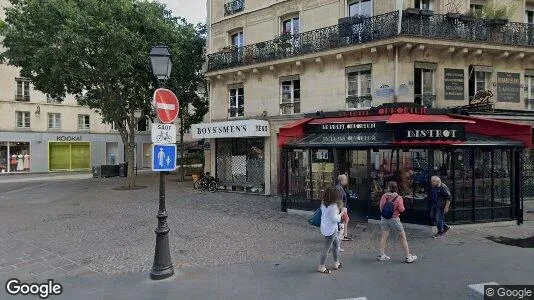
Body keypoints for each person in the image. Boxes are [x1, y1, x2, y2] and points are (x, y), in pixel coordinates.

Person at [378, 181, 417, 263]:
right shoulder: (398, 198)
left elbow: (381, 207)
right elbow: (402, 209)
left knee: (384, 236)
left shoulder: (384, 196)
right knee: (402, 237)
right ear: (396, 188)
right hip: (394, 219)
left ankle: (381, 255)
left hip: (384, 218)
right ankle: (408, 256)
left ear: (388, 188)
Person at [318, 187, 342, 274]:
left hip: (325, 227)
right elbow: (334, 219)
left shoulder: (323, 203)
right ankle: (321, 266)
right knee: (326, 248)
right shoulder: (334, 206)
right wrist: (341, 214)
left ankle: (336, 262)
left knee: (336, 244)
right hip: (331, 229)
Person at [335, 174, 352, 242]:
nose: (346, 181)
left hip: (342, 208)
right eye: (345, 179)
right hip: (341, 208)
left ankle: (344, 234)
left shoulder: (339, 187)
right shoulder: (339, 188)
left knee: (345, 220)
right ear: (342, 180)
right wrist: (342, 210)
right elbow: (340, 201)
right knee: (344, 220)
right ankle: (342, 235)